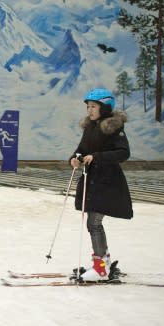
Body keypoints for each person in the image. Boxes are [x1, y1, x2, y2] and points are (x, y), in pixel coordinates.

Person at [69, 88, 133, 281]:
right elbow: (82, 149)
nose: (89, 110)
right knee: (93, 223)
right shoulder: (90, 127)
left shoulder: (113, 128)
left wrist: (96, 157)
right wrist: (75, 158)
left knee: (94, 222)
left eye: (93, 106)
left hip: (107, 181)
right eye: (88, 107)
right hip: (93, 180)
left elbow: (123, 153)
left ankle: (101, 268)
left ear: (105, 108)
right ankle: (101, 263)